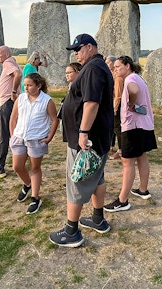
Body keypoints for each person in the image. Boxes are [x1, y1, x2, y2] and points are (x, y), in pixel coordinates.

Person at [49, 33, 114, 248]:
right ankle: (97, 219)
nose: (75, 53)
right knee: (98, 178)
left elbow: (91, 103)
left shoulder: (94, 69)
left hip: (88, 139)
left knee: (77, 179)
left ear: (90, 47)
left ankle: (71, 232)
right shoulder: (96, 66)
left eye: (78, 49)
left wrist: (83, 132)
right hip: (98, 137)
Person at [104, 56, 157, 212]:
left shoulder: (130, 79)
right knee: (141, 156)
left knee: (127, 163)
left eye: (118, 66)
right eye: (114, 67)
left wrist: (131, 104)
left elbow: (133, 90)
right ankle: (143, 190)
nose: (115, 69)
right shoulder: (138, 78)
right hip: (144, 124)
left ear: (128, 66)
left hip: (133, 126)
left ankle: (122, 200)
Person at [9, 72, 59, 215]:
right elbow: (13, 118)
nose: (26, 88)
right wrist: (13, 135)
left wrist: (49, 138)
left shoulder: (46, 100)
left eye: (29, 85)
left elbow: (55, 119)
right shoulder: (21, 98)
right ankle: (27, 184)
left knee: (34, 168)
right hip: (19, 138)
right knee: (17, 166)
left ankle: (35, 198)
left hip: (36, 139)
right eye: (25, 85)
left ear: (39, 86)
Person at [0, 45, 22, 178]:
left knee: (4, 135)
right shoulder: (13, 62)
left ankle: (0, 167)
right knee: (16, 133)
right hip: (12, 103)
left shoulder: (8, 63)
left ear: (7, 54)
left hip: (7, 103)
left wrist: (13, 92)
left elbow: (18, 75)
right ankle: (20, 162)